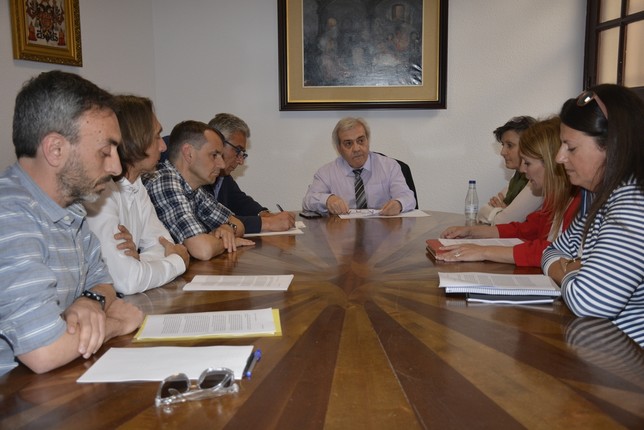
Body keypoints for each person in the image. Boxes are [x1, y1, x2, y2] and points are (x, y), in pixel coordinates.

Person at [0, 71, 144, 376]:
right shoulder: (9, 215)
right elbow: (44, 352)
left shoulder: (71, 210)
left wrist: (89, 302)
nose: (116, 167)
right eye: (105, 151)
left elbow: (103, 283)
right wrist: (117, 323)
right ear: (55, 150)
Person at [542, 84, 644, 347]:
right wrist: (571, 269)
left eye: (570, 147)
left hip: (630, 357)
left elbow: (589, 303)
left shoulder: (632, 204)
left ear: (612, 146)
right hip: (605, 345)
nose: (559, 157)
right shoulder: (602, 196)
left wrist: (568, 270)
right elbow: (551, 251)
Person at [437, 117, 580, 267]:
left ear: (551, 162)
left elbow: (556, 252)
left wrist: (483, 251)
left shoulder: (578, 200)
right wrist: (472, 232)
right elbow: (527, 229)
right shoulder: (556, 197)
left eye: (528, 163)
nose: (522, 169)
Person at [84, 95, 190, 295]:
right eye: (157, 136)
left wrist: (138, 261)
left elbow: (163, 245)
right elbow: (127, 281)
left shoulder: (137, 184)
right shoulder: (100, 192)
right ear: (135, 140)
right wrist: (177, 262)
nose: (163, 146)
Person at [143, 120, 253, 261]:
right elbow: (203, 250)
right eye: (214, 155)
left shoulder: (194, 188)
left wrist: (228, 229)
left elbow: (239, 224)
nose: (221, 164)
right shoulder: (164, 180)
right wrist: (226, 242)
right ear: (189, 153)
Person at [302, 117, 415, 215]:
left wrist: (399, 204)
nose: (356, 148)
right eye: (348, 143)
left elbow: (408, 197)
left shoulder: (389, 167)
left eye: (360, 141)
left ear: (368, 141)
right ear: (339, 149)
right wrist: (327, 200)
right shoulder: (326, 172)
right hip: (343, 231)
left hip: (384, 231)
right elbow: (308, 201)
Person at [205, 113, 295, 234]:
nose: (241, 161)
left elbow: (240, 202)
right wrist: (267, 223)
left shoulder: (222, 176)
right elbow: (212, 219)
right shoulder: (197, 177)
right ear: (217, 143)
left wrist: (266, 215)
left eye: (242, 153)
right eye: (238, 150)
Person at [477, 116, 544, 225]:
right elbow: (482, 211)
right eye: (503, 145)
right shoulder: (518, 176)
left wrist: (501, 212)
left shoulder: (537, 180)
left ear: (530, 146)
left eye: (510, 145)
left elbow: (503, 222)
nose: (502, 152)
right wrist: (501, 211)